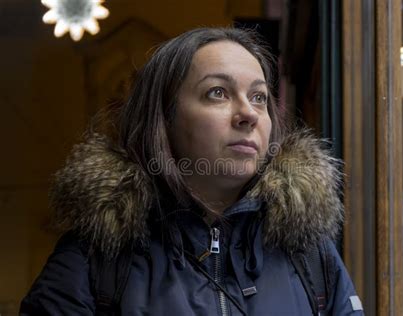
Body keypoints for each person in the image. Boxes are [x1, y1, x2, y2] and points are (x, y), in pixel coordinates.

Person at [20, 27, 363, 315]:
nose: (249, 114)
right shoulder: (95, 257)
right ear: (163, 119)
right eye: (218, 93)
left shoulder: (309, 252)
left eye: (259, 97)